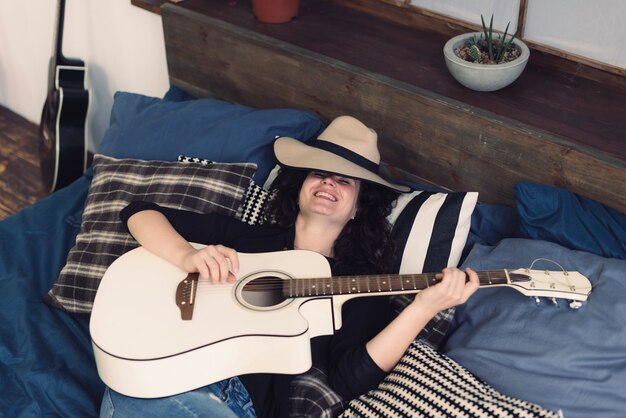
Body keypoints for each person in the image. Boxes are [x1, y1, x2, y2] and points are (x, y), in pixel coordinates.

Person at [99, 115, 480, 418]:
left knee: (129, 394)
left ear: (359, 208)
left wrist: (423, 307)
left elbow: (350, 378)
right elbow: (138, 212)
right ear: (299, 186)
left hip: (238, 401)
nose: (329, 182)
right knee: (126, 387)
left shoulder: (355, 281)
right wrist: (187, 257)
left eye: (345, 181)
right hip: (177, 369)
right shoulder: (248, 239)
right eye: (319, 172)